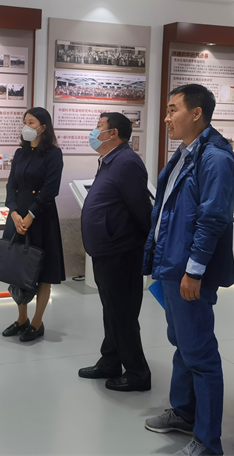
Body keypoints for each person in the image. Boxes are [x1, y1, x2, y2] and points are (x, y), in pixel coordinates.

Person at [143, 84, 234, 456]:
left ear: (197, 113)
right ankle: (184, 412)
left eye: (173, 109)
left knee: (201, 354)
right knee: (182, 343)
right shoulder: (185, 153)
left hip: (187, 270)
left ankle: (208, 442)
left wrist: (194, 272)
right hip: (171, 264)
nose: (167, 118)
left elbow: (212, 219)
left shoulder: (215, 158)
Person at [78, 113, 153, 392]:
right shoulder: (110, 160)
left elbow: (141, 209)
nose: (94, 131)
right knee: (111, 310)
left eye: (99, 127)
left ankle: (137, 373)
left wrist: (143, 244)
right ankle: (110, 361)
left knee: (122, 313)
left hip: (121, 251)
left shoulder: (127, 162)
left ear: (114, 133)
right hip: (106, 250)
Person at [0, 107, 65, 342]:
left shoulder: (53, 154)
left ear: (43, 127)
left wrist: (30, 215)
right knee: (18, 267)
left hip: (41, 216)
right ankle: (22, 319)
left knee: (43, 271)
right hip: (17, 215)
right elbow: (11, 185)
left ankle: (37, 322)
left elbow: (51, 189)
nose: (26, 126)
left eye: (31, 122)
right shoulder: (20, 153)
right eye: (25, 122)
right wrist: (14, 212)